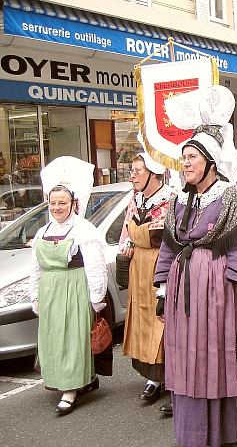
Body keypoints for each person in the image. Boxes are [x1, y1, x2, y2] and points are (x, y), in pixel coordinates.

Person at [155, 86, 237, 447]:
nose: (185, 164)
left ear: (210, 164)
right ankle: (192, 430)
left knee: (216, 356)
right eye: (183, 158)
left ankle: (222, 429)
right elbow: (169, 246)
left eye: (191, 158)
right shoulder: (179, 201)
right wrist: (161, 288)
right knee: (185, 356)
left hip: (217, 290)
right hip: (183, 290)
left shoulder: (230, 197)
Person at [28, 156, 108, 415]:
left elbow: (95, 265)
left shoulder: (83, 230)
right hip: (50, 292)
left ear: (73, 203)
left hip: (74, 290)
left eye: (62, 203)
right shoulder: (43, 231)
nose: (57, 208)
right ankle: (66, 381)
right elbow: (36, 266)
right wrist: (35, 296)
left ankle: (71, 389)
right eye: (53, 203)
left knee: (73, 339)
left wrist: (96, 297)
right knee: (53, 339)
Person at [119, 153, 175, 414]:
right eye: (132, 170)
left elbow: (174, 237)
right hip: (139, 266)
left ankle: (171, 378)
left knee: (162, 321)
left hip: (161, 263)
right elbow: (126, 232)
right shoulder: (135, 199)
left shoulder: (171, 199)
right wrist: (128, 245)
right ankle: (152, 377)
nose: (133, 175)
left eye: (138, 171)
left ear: (154, 174)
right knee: (142, 317)